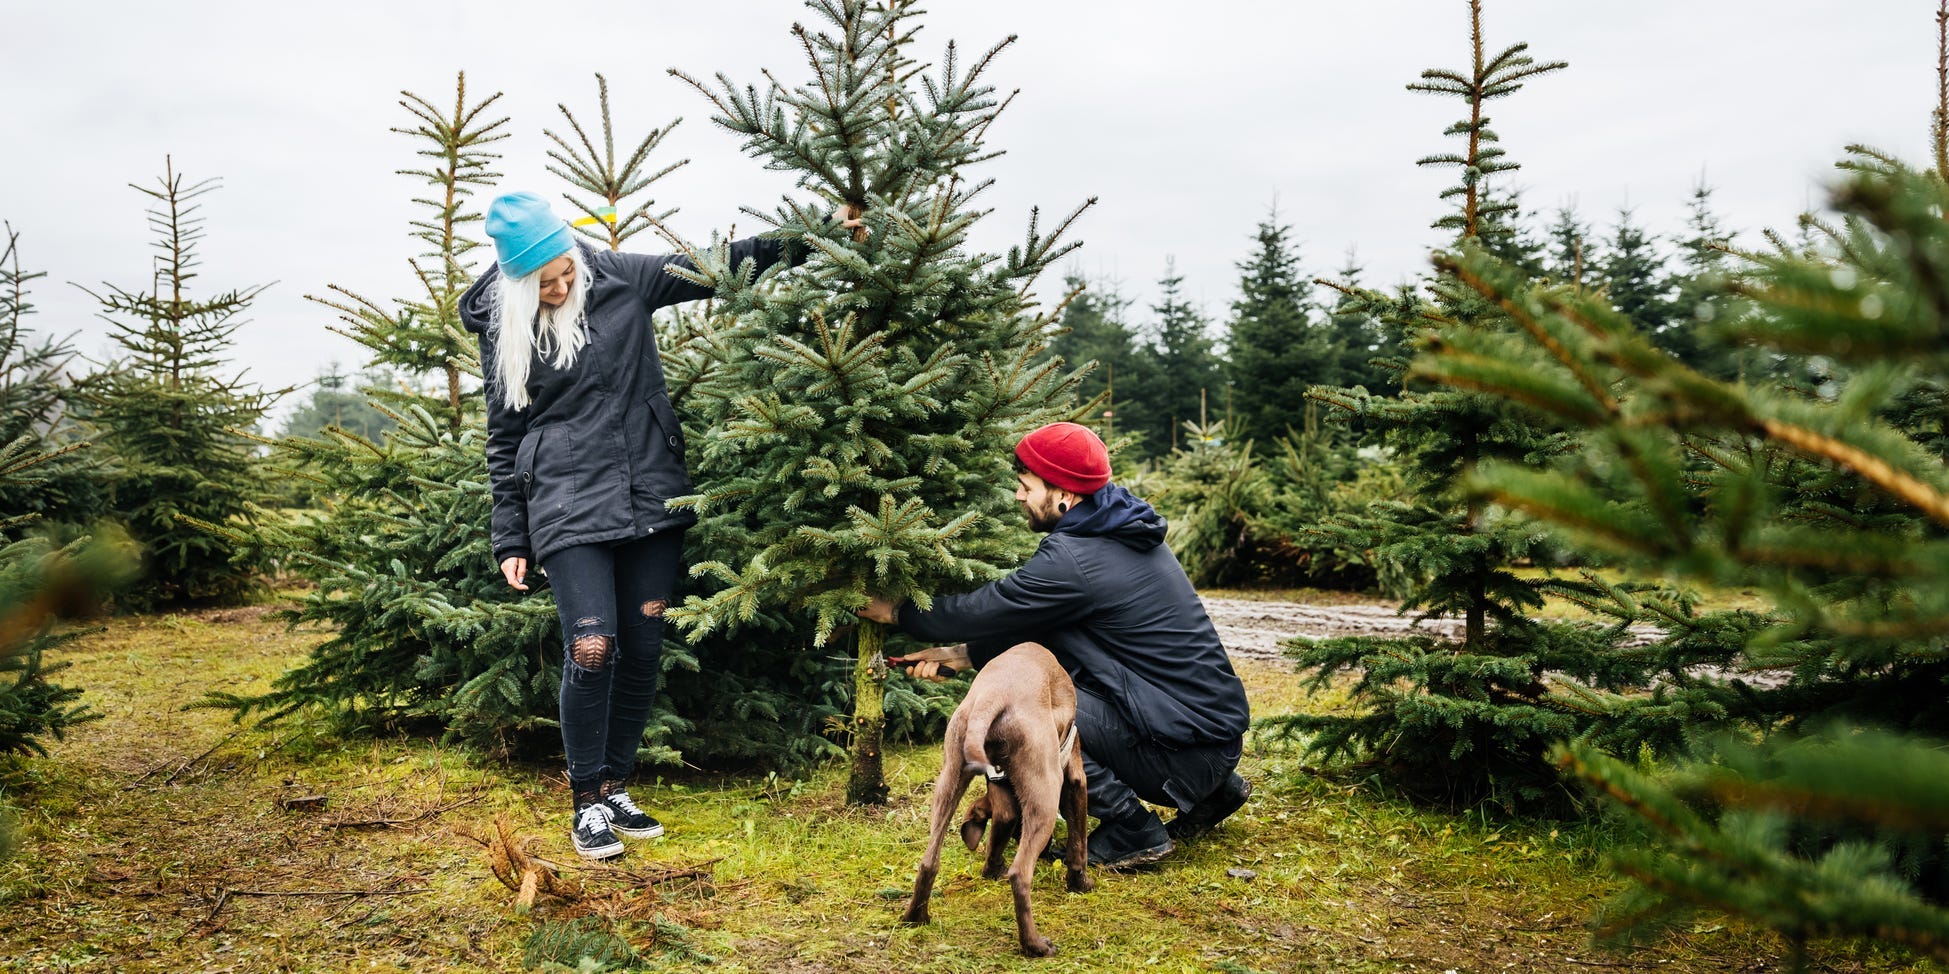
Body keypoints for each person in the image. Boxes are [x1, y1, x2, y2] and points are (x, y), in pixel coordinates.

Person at [461, 192, 850, 860]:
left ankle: (616, 786)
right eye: (543, 283)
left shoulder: (620, 277)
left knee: (641, 647)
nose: (559, 288)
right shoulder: (503, 327)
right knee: (592, 647)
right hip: (562, 499)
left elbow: (720, 264)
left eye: (564, 273)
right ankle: (585, 803)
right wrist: (510, 533)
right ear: (519, 285)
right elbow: (504, 435)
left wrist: (817, 236)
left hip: (649, 491)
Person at [858, 422, 1252, 869]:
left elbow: (990, 606)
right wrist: (963, 656)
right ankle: (1217, 791)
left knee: (1017, 718)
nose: (1018, 497)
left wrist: (898, 612)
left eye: (1026, 486)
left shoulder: (1074, 560)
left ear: (1063, 491)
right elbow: (1047, 623)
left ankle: (1132, 830)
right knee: (1063, 688)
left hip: (1185, 751)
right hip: (1210, 737)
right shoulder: (1116, 530)